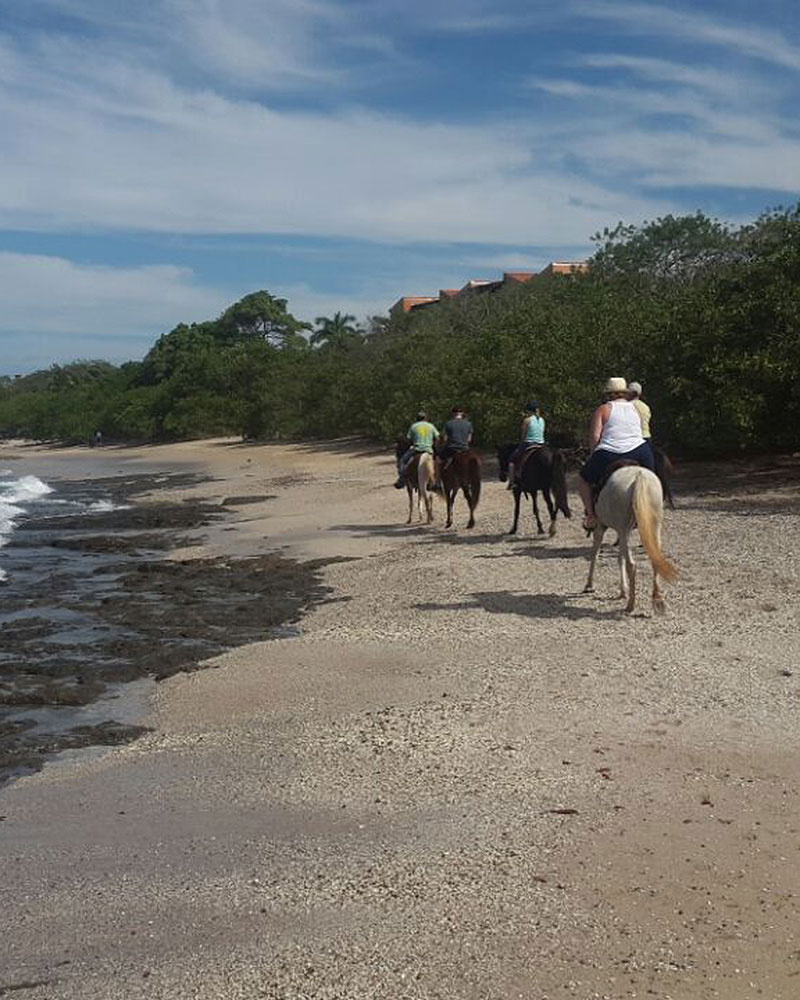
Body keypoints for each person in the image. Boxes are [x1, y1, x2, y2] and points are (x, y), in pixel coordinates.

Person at [578, 377, 655, 530]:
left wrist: (594, 454)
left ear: (609, 394)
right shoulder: (636, 408)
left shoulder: (603, 409)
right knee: (652, 479)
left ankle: (591, 516)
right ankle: (652, 511)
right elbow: (638, 431)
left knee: (583, 480)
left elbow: (595, 436)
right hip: (639, 450)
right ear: (624, 393)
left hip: (610, 452)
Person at [395, 410, 441, 488]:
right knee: (439, 462)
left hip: (416, 449)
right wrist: (434, 446)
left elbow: (409, 439)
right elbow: (437, 437)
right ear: (426, 418)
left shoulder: (413, 426)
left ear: (417, 418)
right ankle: (437, 481)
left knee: (402, 461)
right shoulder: (431, 426)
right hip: (428, 449)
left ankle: (401, 480)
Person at [506, 400, 545, 490]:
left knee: (512, 460)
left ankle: (512, 482)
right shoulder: (542, 420)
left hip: (529, 443)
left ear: (528, 410)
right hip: (541, 444)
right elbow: (541, 432)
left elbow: (523, 436)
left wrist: (520, 444)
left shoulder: (527, 420)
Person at [435, 406, 473, 486]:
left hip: (452, 448)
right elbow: (469, 439)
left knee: (437, 460)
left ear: (453, 414)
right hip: (465, 449)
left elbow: (445, 439)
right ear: (462, 413)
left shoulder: (448, 423)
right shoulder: (468, 424)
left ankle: (437, 482)